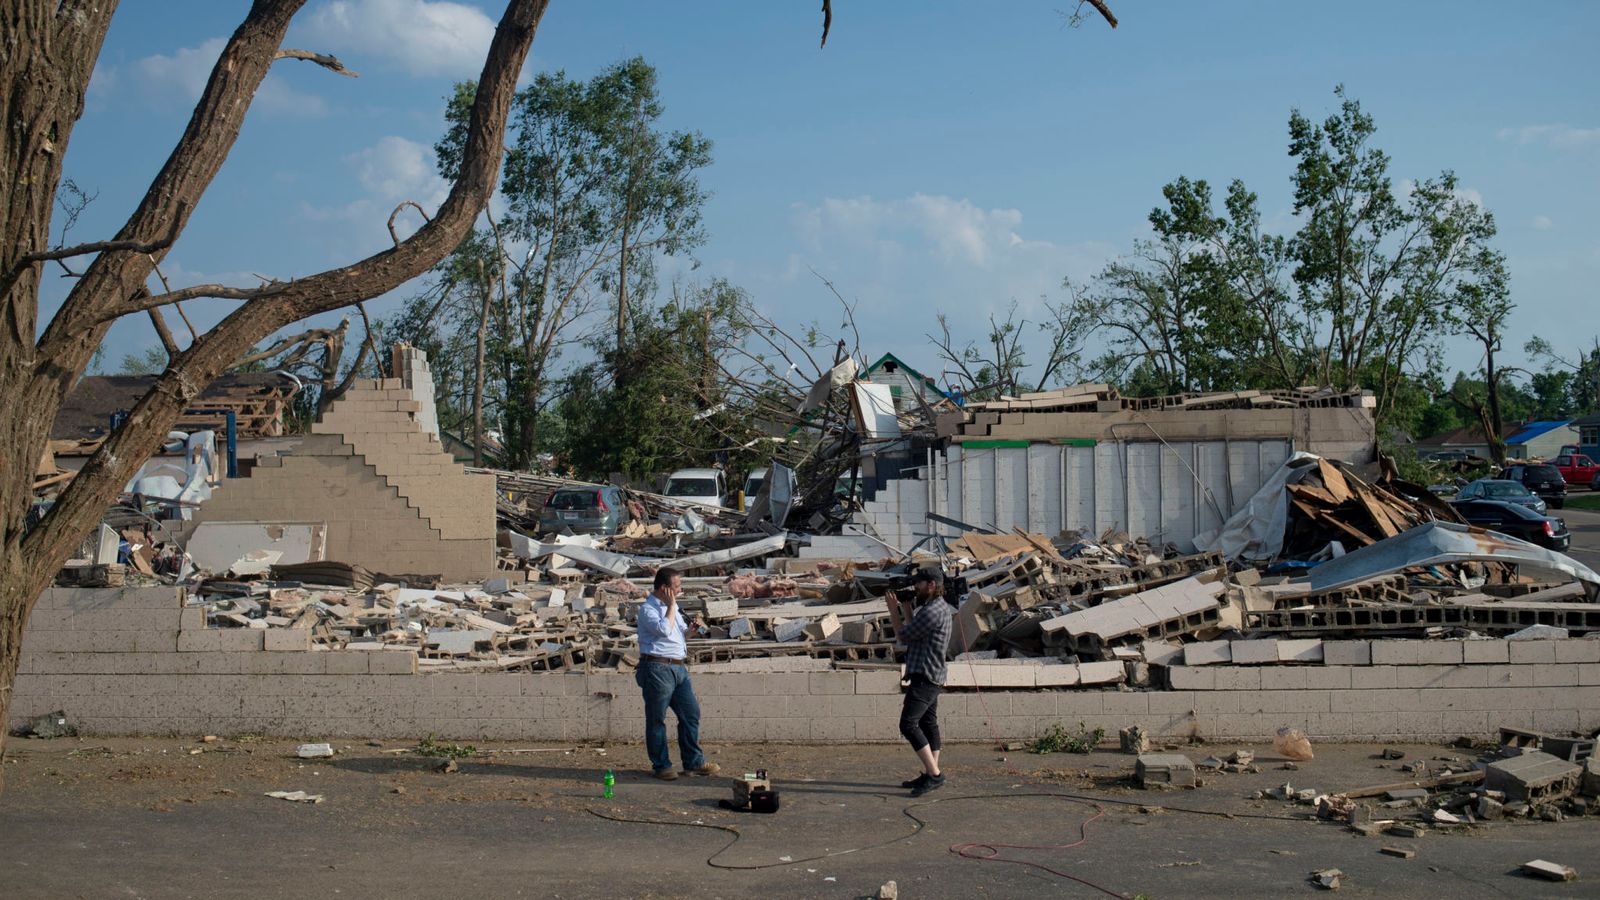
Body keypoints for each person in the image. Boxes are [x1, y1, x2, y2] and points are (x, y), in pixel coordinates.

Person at [635, 568, 720, 780]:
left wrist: (690, 632)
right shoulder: (648, 610)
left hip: (678, 667)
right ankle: (662, 766)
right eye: (676, 587)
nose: (680, 591)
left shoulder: (674, 608)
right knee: (657, 719)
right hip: (657, 668)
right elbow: (663, 630)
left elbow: (678, 633)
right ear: (665, 589)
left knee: (690, 714)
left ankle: (693, 763)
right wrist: (672, 606)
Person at [895, 566, 953, 796]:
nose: (915, 587)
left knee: (908, 724)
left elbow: (904, 636)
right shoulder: (934, 607)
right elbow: (913, 630)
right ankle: (931, 772)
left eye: (919, 584)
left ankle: (935, 775)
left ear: (931, 585)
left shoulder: (932, 611)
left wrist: (893, 609)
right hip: (932, 674)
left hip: (926, 676)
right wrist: (906, 606)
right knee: (929, 723)